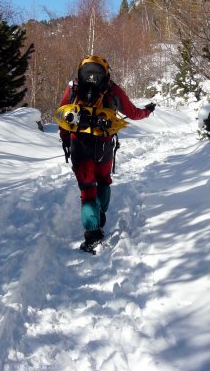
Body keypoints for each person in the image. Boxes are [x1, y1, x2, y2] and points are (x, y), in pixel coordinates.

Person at [57, 55, 155, 252]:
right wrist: (148, 111)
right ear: (106, 72)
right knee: (103, 180)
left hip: (79, 146)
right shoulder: (112, 89)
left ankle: (92, 234)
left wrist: (66, 139)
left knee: (87, 190)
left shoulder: (74, 87)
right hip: (103, 146)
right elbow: (132, 113)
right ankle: (99, 217)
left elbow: (64, 115)